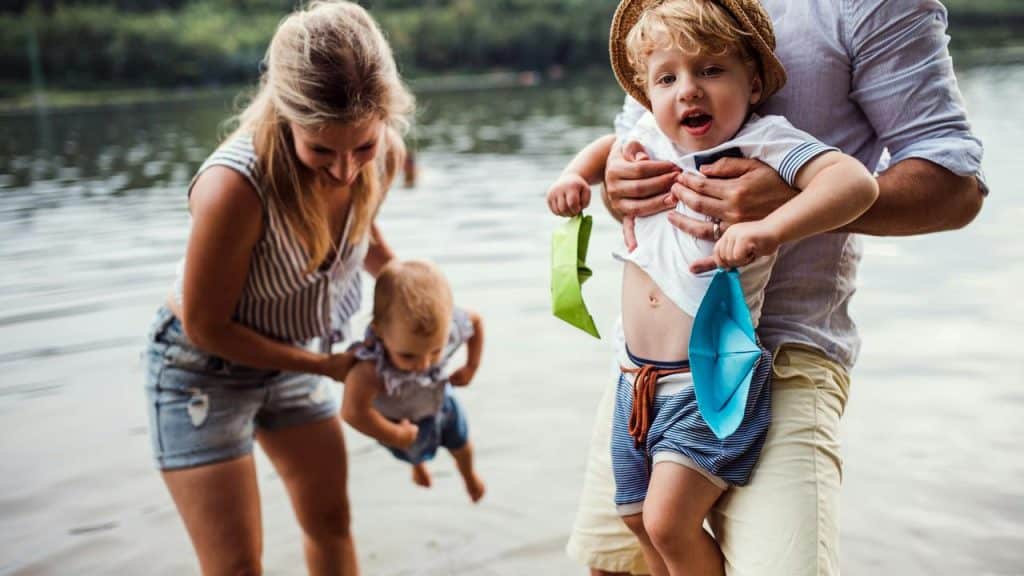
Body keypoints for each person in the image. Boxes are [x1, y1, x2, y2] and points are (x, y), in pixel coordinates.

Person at [566, 0, 987, 575]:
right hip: (639, 368)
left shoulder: (861, 19)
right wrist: (609, 184)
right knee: (624, 553)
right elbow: (626, 150)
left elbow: (954, 184)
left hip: (775, 354)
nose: (687, 89)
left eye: (710, 71)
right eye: (669, 77)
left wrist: (785, 209)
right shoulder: (665, 18)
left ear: (755, 79)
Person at [142, 2, 414, 574]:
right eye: (321, 151)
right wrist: (323, 368)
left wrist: (414, 298)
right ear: (286, 118)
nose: (344, 171)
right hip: (200, 368)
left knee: (331, 524)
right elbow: (206, 325)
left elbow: (361, 239)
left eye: (360, 147)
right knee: (237, 564)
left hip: (302, 357)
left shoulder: (382, 152)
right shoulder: (233, 187)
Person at [341, 259, 486, 502]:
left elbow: (476, 322)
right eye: (408, 355)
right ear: (378, 330)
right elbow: (352, 413)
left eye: (435, 351)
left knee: (462, 444)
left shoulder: (446, 328)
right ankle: (417, 466)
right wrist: (394, 434)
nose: (423, 365)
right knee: (414, 453)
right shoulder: (370, 369)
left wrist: (471, 367)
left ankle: (469, 476)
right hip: (400, 421)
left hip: (442, 402)